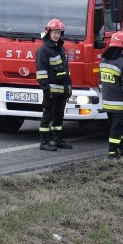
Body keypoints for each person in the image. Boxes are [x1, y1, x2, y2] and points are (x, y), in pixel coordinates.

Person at [35, 18, 74, 151]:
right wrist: (46, 88)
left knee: (59, 115)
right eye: (54, 32)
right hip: (50, 90)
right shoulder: (44, 50)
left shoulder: (61, 49)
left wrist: (69, 86)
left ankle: (58, 139)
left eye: (58, 32)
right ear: (48, 32)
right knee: (48, 115)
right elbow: (41, 72)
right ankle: (44, 141)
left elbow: (66, 70)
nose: (56, 35)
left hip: (62, 90)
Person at [99, 32, 123, 159]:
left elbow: (104, 81)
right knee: (117, 129)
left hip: (107, 101)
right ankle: (112, 152)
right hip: (119, 104)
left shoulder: (104, 61)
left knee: (117, 127)